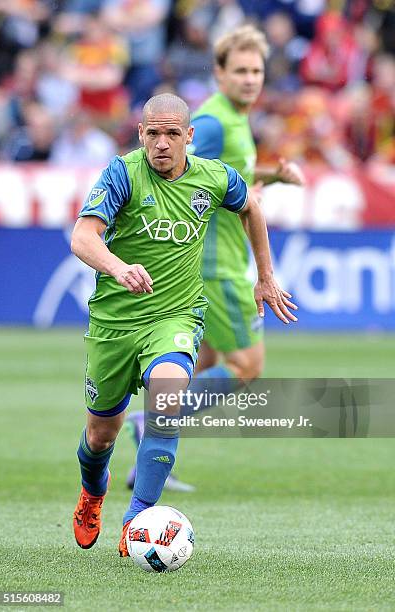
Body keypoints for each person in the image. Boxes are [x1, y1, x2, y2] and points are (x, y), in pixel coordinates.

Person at [71, 93, 297, 556]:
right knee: (100, 437)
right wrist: (117, 267)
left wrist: (266, 277)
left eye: (172, 134)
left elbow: (251, 206)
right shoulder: (121, 173)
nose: (161, 143)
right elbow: (83, 236)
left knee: (168, 400)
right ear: (140, 135)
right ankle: (93, 494)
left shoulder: (212, 177)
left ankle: (137, 520)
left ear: (188, 138)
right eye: (152, 133)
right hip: (115, 321)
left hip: (176, 315)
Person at [125, 25, 304, 490]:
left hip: (215, 262)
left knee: (199, 366)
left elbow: (221, 176)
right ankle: (151, 422)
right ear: (219, 74)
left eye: (256, 70)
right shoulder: (211, 121)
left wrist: (269, 176)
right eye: (239, 70)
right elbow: (170, 170)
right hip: (214, 265)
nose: (249, 79)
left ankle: (144, 461)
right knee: (246, 366)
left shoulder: (235, 118)